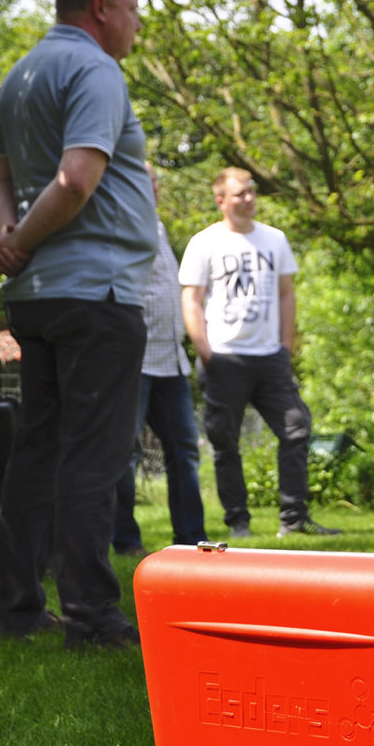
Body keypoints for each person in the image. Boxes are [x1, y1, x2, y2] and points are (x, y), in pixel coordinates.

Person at [0, 0, 157, 648]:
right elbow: (77, 182)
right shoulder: (98, 72)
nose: (138, 24)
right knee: (92, 458)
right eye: (134, 10)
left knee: (38, 451)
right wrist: (20, 243)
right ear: (101, 8)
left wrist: (13, 241)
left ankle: (18, 609)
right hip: (96, 292)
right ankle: (92, 617)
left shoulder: (20, 75)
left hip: (38, 299)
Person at [177, 167, 340, 540]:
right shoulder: (205, 243)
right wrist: (205, 350)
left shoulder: (275, 240)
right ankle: (238, 523)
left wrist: (285, 347)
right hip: (224, 356)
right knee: (225, 442)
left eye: (252, 192)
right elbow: (191, 298)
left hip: (270, 358)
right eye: (240, 194)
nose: (249, 198)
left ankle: (293, 519)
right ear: (221, 201)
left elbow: (286, 293)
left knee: (296, 427)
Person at [111, 163, 207, 555]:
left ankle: (192, 538)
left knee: (184, 449)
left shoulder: (158, 225)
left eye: (153, 181)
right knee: (123, 452)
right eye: (143, 179)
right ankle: (125, 540)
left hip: (171, 361)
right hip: (135, 359)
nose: (152, 187)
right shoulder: (118, 224)